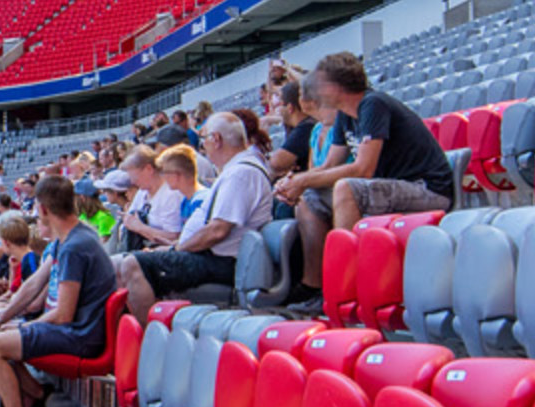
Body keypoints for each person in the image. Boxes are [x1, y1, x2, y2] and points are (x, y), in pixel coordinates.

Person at [0, 173, 119, 407]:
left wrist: (26, 326)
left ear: (42, 209)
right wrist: (0, 321)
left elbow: (63, 315)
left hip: (79, 335)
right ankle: (36, 393)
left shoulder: (75, 247)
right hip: (74, 328)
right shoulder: (71, 238)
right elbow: (32, 285)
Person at [118, 111, 273, 322]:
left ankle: (148, 334)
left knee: (132, 264)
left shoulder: (240, 173)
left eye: (205, 138)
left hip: (221, 260)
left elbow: (217, 231)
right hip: (212, 256)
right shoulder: (236, 170)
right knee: (129, 262)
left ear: (216, 139)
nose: (203, 145)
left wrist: (178, 249)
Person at [305, 49, 456, 234]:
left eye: (321, 84)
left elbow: (363, 170)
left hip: (426, 188)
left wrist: (304, 180)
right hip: (393, 188)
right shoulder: (344, 114)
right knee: (309, 197)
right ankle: (325, 254)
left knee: (347, 189)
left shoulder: (373, 104)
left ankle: (348, 253)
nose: (316, 91)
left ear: (337, 86)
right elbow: (329, 165)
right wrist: (296, 182)